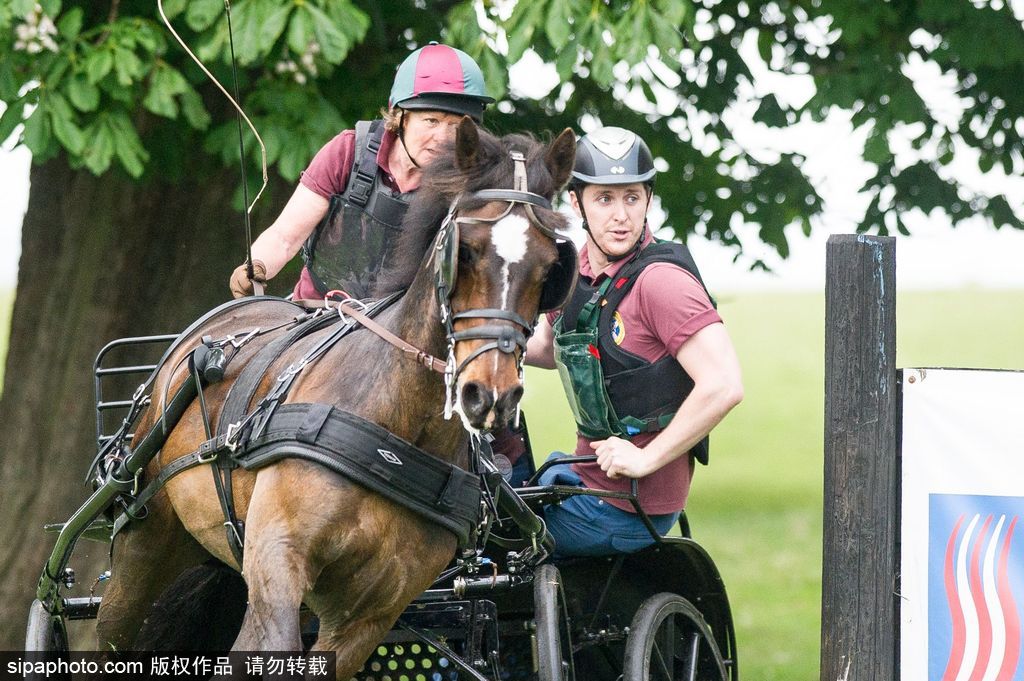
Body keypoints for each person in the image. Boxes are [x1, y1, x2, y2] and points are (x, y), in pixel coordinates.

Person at [524, 126, 744, 557]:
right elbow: (549, 348)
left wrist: (645, 458)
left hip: (629, 507)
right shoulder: (577, 268)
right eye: (605, 199)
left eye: (632, 197)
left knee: (494, 537)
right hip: (588, 478)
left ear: (648, 200)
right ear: (576, 202)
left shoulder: (660, 282)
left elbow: (724, 384)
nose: (620, 215)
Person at [228, 42, 494, 300]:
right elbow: (284, 237)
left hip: (399, 338)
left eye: (456, 126)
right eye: (431, 121)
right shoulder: (347, 152)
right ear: (400, 116)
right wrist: (256, 268)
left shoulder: (465, 186)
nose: (443, 138)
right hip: (315, 318)